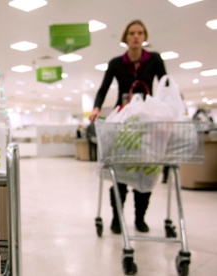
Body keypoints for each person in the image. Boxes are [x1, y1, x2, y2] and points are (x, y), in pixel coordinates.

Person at [89, 19, 167, 234]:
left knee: (145, 171)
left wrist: (171, 109)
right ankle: (116, 218)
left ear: (144, 37)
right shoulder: (116, 63)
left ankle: (140, 218)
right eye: (132, 33)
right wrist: (96, 108)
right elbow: (103, 89)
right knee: (120, 173)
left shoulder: (155, 60)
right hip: (122, 121)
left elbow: (165, 84)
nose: (136, 36)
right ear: (125, 37)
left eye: (140, 33)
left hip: (146, 122)